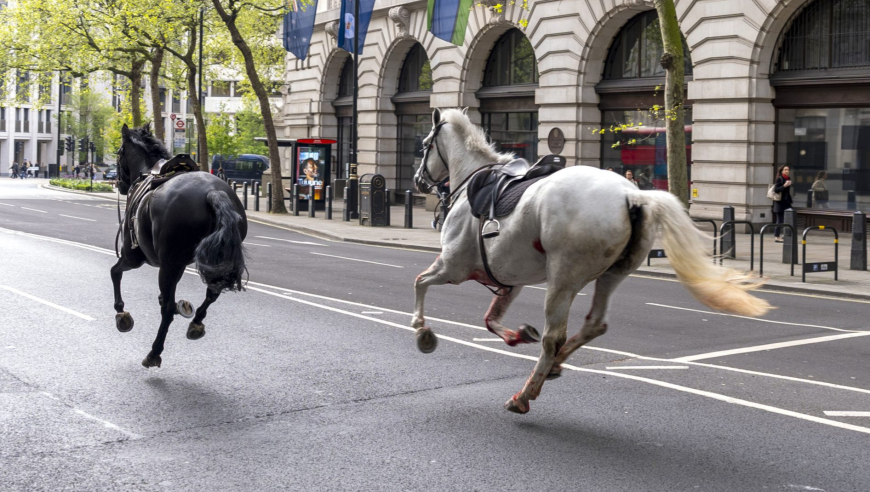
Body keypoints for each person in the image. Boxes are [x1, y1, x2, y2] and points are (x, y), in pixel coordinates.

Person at [772, 165, 793, 243]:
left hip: (786, 202)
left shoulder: (788, 178)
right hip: (780, 203)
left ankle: (786, 234)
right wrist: (784, 185)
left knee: (790, 217)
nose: (787, 171)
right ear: (782, 171)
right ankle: (777, 237)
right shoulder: (779, 178)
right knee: (780, 220)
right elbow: (776, 190)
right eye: (785, 170)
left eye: (788, 169)